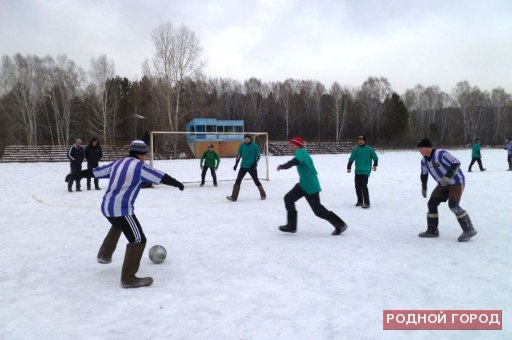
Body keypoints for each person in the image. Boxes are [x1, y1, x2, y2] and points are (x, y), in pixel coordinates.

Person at [81, 140, 185, 288]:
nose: (145, 157)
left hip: (106, 207)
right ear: (141, 154)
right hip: (121, 209)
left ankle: (104, 255)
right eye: (145, 154)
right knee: (138, 239)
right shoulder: (139, 167)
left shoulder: (118, 163)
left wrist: (77, 175)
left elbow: (96, 172)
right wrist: (177, 183)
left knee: (118, 225)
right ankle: (128, 278)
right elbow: (161, 176)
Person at [277, 137, 347, 235]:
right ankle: (291, 226)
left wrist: (284, 166)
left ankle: (340, 224)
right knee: (288, 198)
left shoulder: (300, 151)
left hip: (310, 186)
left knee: (318, 211)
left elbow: (296, 161)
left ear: (298, 146)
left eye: (293, 146)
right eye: (290, 146)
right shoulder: (302, 152)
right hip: (303, 184)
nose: (291, 148)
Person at [417, 138, 477, 242]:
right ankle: (432, 230)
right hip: (442, 185)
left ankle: (469, 229)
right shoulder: (424, 161)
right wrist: (424, 187)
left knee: (453, 205)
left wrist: (448, 177)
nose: (419, 151)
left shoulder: (440, 153)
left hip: (456, 182)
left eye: (421, 148)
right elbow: (424, 174)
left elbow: (456, 163)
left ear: (427, 147)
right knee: (432, 203)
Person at [227, 134, 266, 201]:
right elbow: (239, 155)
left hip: (252, 167)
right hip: (243, 166)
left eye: (248, 138)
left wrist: (255, 163)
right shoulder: (242, 146)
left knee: (256, 181)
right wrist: (236, 164)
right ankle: (234, 197)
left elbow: (258, 156)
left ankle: (263, 195)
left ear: (250, 139)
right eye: (245, 138)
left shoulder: (254, 146)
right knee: (238, 180)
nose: (247, 139)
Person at [346, 134, 378, 208]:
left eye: (362, 140)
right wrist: (349, 166)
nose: (360, 141)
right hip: (358, 171)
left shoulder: (369, 149)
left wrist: (375, 165)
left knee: (364, 186)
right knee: (357, 187)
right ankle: (360, 201)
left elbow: (375, 158)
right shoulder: (356, 150)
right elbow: (351, 159)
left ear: (364, 141)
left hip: (366, 170)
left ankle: (367, 203)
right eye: (359, 140)